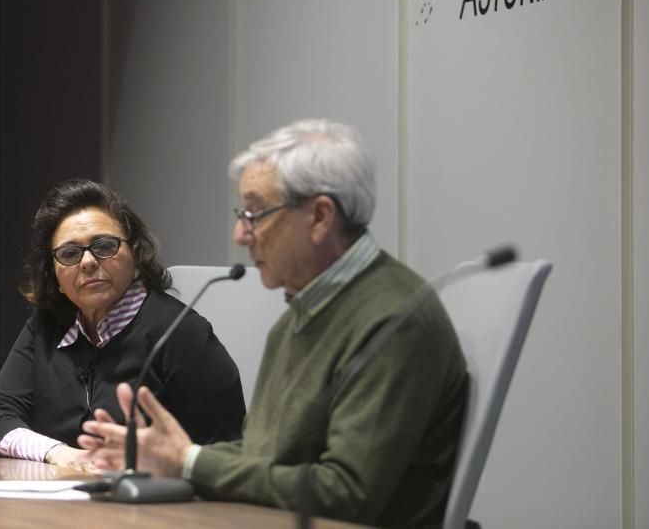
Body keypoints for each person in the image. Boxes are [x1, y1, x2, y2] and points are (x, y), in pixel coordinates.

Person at [78, 119, 468, 528]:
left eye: (255, 212)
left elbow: (346, 495)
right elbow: (261, 458)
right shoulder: (298, 317)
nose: (241, 233)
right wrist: (169, 456)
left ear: (319, 216)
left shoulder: (393, 320)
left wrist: (190, 462)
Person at [0, 178, 246, 470]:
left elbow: (224, 454)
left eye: (104, 246)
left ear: (136, 254)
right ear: (54, 276)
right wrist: (59, 453)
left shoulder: (183, 333)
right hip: (62, 501)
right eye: (69, 253)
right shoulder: (45, 328)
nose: (88, 262)